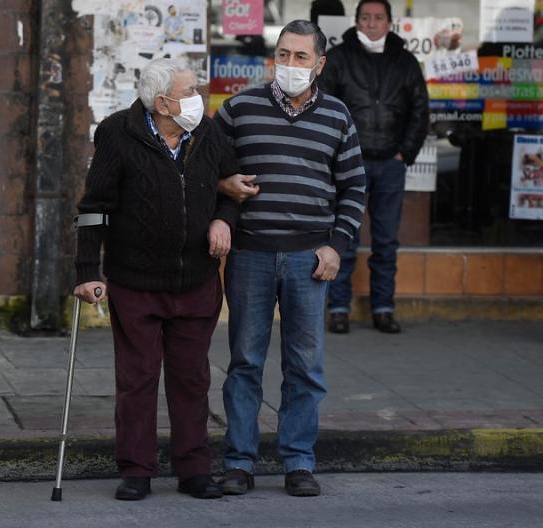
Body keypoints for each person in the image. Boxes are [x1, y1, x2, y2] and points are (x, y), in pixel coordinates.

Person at [74, 58, 240, 501]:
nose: (198, 98)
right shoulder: (117, 133)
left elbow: (233, 186)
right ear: (163, 103)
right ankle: (136, 470)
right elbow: (95, 205)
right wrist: (87, 271)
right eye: (189, 91)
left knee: (191, 379)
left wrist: (224, 220)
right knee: (137, 379)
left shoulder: (206, 131)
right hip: (136, 283)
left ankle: (194, 469)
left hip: (196, 280)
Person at [214, 20, 366, 497]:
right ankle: (239, 462)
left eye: (302, 57)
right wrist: (222, 186)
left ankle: (298, 462)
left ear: (320, 63)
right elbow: (207, 169)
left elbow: (354, 188)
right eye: (284, 55)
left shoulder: (338, 116)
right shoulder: (239, 109)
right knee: (244, 362)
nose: (291, 65)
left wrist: (336, 246)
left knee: (305, 366)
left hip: (309, 259)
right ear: (273, 57)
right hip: (250, 256)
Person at [318, 0, 429, 334]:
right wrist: (336, 154)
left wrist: (404, 153)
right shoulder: (339, 58)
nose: (371, 23)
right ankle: (338, 308)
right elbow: (324, 107)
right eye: (365, 17)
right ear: (356, 21)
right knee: (344, 238)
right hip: (350, 164)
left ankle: (383, 307)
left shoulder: (406, 61)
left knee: (385, 241)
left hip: (390, 164)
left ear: (389, 23)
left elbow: (420, 110)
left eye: (378, 18)